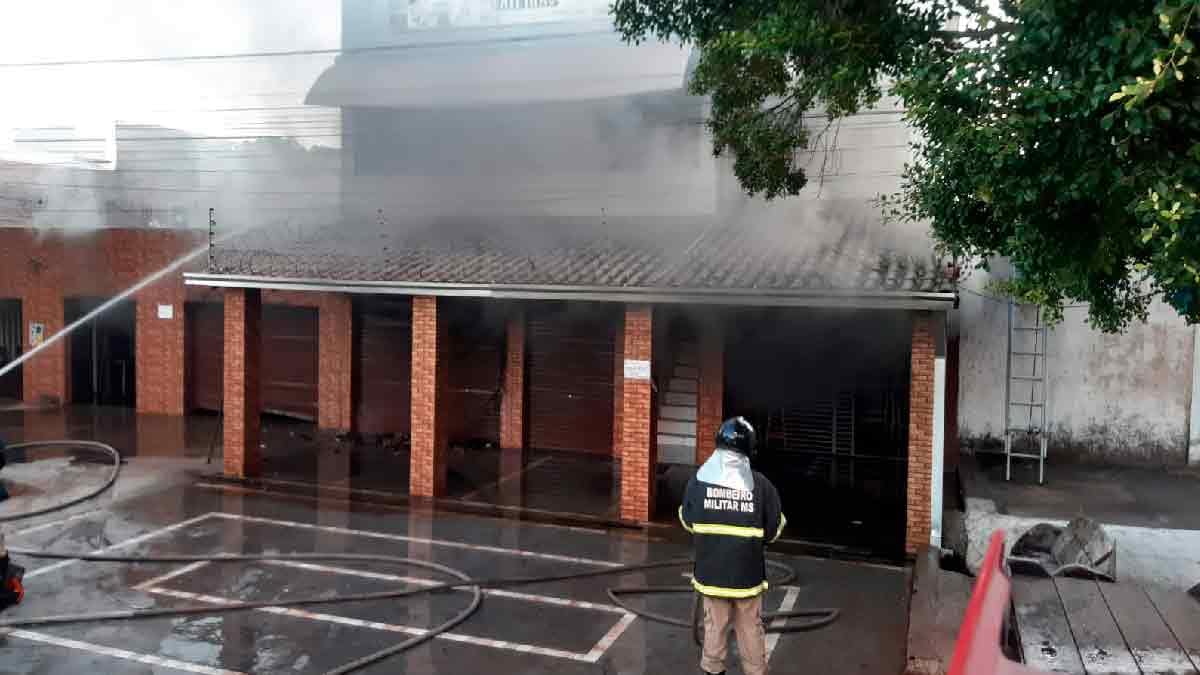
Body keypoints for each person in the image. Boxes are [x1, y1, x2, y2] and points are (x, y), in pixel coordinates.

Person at [679, 416, 785, 675]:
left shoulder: (698, 481)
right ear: (749, 449)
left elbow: (687, 519)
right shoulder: (761, 485)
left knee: (715, 628)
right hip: (747, 578)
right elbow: (775, 528)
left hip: (711, 576)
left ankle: (713, 670)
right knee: (751, 630)